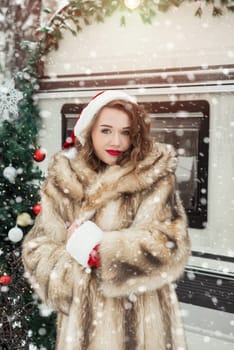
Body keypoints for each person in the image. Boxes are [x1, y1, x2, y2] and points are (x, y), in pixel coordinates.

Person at [22, 90, 190, 350]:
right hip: (81, 327)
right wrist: (72, 270)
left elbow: (170, 242)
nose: (117, 141)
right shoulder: (64, 180)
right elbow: (38, 249)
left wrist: (104, 251)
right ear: (89, 131)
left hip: (143, 322)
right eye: (106, 130)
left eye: (126, 132)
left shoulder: (153, 176)